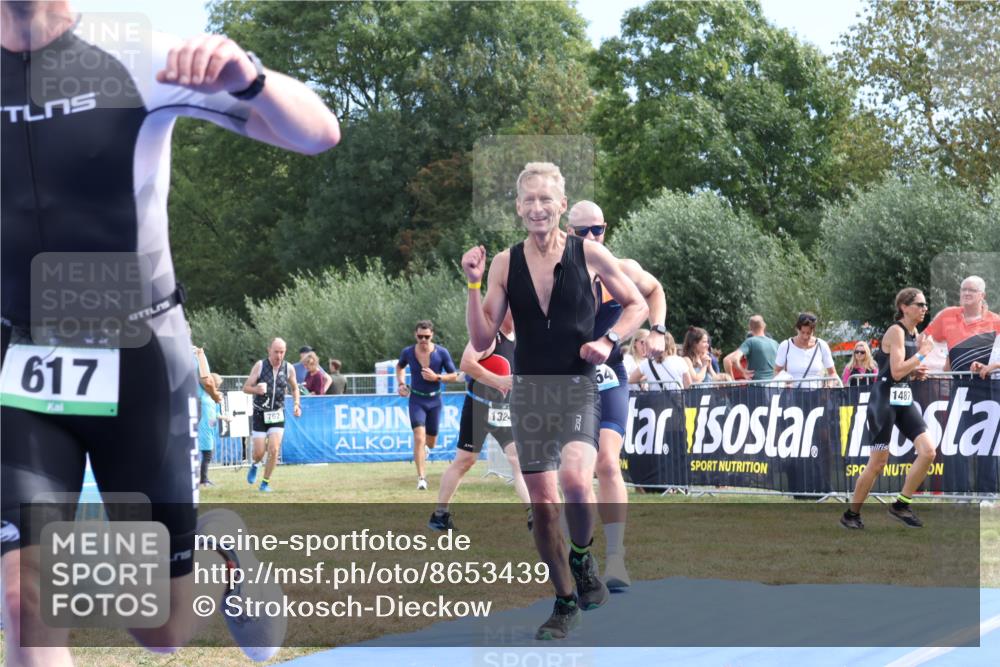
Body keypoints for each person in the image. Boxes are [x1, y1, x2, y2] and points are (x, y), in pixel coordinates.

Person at [1, 2, 339, 662]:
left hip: (141, 359)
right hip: (22, 364)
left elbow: (319, 133)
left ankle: (220, 552)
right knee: (23, 599)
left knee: (160, 628)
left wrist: (250, 78)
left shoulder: (139, 57)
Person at [462, 162, 647, 640]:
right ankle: (565, 602)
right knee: (544, 506)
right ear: (518, 208)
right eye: (529, 200)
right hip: (530, 390)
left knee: (576, 482)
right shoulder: (505, 262)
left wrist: (609, 341)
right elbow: (483, 336)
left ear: (561, 206)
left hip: (579, 384)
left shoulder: (590, 253)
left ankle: (583, 557)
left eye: (547, 199)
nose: (537, 207)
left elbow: (637, 304)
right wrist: (474, 284)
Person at [566, 200, 667, 590]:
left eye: (598, 230)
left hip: (609, 372)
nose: (592, 238)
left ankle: (616, 560)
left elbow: (654, 290)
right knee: (573, 474)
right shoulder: (553, 274)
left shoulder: (620, 270)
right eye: (583, 232)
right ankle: (579, 554)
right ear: (569, 233)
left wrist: (657, 330)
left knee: (608, 462)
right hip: (567, 379)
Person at [841, 288, 936, 529]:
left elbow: (902, 371)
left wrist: (915, 372)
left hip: (902, 400)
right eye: (919, 304)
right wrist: (922, 356)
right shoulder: (896, 331)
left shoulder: (916, 333)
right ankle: (852, 514)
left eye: (925, 305)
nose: (924, 309)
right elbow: (894, 372)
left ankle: (901, 505)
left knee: (928, 452)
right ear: (904, 307)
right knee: (878, 462)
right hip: (883, 401)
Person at [428, 310, 531, 531]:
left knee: (518, 461)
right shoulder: (488, 337)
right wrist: (498, 381)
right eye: (515, 310)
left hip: (504, 412)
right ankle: (440, 514)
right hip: (478, 409)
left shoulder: (521, 339)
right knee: (465, 461)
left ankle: (534, 515)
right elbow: (466, 364)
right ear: (503, 310)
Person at [396, 321, 459, 490]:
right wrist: (401, 384)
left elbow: (455, 376)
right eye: (420, 337)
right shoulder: (408, 352)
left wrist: (437, 377)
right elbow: (399, 367)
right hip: (416, 400)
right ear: (415, 335)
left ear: (432, 335)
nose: (423, 340)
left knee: (431, 442)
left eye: (427, 336)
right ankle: (422, 478)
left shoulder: (442, 353)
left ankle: (426, 450)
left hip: (435, 401)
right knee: (418, 437)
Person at [242, 338, 302, 492]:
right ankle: (255, 464)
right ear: (269, 350)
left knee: (274, 449)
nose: (279, 355)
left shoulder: (288, 368)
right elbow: (246, 388)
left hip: (277, 413)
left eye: (282, 352)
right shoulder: (260, 366)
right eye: (276, 352)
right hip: (260, 414)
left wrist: (296, 404)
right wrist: (256, 390)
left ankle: (265, 483)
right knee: (259, 452)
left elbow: (295, 388)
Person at [923, 276, 1000, 371]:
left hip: (988, 383)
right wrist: (919, 366)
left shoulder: (996, 321)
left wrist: (994, 366)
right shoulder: (947, 315)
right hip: (956, 383)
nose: (966, 293)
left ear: (982, 295)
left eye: (972, 290)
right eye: (963, 289)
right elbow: (922, 340)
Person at [773, 313, 841, 388]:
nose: (805, 336)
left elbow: (832, 373)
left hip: (816, 395)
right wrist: (784, 384)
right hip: (792, 395)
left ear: (813, 331)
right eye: (802, 332)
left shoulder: (822, 345)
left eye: (809, 333)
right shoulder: (786, 346)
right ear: (797, 329)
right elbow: (777, 371)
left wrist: (829, 386)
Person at [723, 315, 779, 382]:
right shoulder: (775, 343)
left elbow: (734, 359)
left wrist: (743, 371)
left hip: (756, 385)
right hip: (774, 384)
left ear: (750, 328)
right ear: (764, 325)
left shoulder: (750, 341)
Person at [199, 373, 226, 487]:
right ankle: (203, 480)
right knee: (207, 454)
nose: (218, 387)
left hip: (211, 428)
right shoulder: (200, 393)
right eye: (217, 384)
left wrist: (226, 418)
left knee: (207, 454)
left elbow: (217, 413)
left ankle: (203, 479)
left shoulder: (215, 396)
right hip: (201, 427)